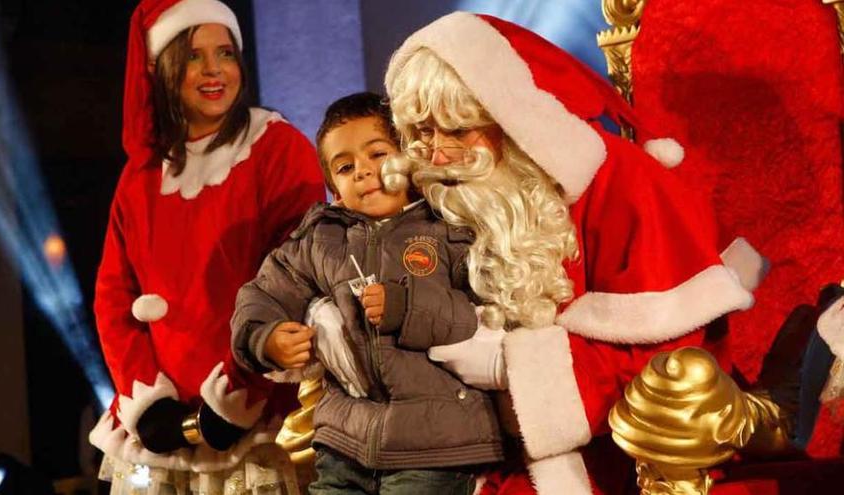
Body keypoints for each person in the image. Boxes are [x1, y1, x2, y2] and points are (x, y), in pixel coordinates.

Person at [374, 12, 766, 494]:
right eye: (421, 133)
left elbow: (672, 361)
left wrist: (511, 368)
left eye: (457, 131)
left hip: (616, 456)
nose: (435, 156)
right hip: (463, 450)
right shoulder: (433, 196)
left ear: (513, 119)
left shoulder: (624, 186)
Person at [89, 0, 325, 492]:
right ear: (163, 67)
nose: (214, 70)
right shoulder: (141, 177)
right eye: (195, 56)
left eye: (226, 53)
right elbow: (113, 296)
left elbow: (297, 279)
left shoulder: (277, 149)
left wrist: (241, 396)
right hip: (163, 434)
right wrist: (148, 402)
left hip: (255, 424)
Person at [230, 92, 504, 495]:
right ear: (333, 186)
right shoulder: (320, 238)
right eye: (345, 166)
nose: (362, 171)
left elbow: (476, 315)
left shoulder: (448, 228)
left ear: (408, 155)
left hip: (434, 448)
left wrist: (406, 307)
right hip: (344, 444)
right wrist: (263, 339)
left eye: (377, 154)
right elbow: (264, 293)